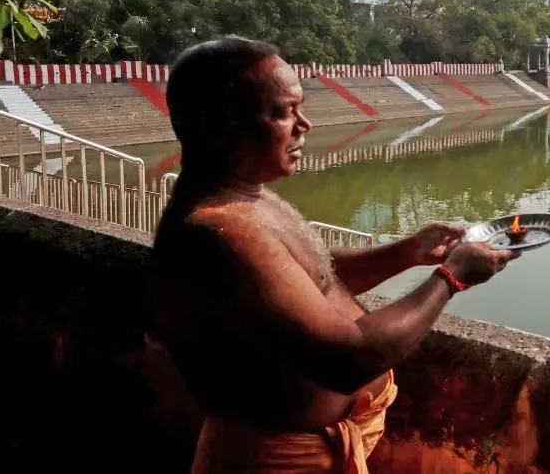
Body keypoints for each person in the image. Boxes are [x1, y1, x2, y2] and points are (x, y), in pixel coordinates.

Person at [149, 36, 520, 474]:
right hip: (278, 461)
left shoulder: (246, 202)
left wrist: (407, 252)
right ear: (219, 125)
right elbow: (347, 362)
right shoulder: (217, 232)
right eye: (284, 112)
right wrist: (450, 278)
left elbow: (308, 279)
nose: (304, 125)